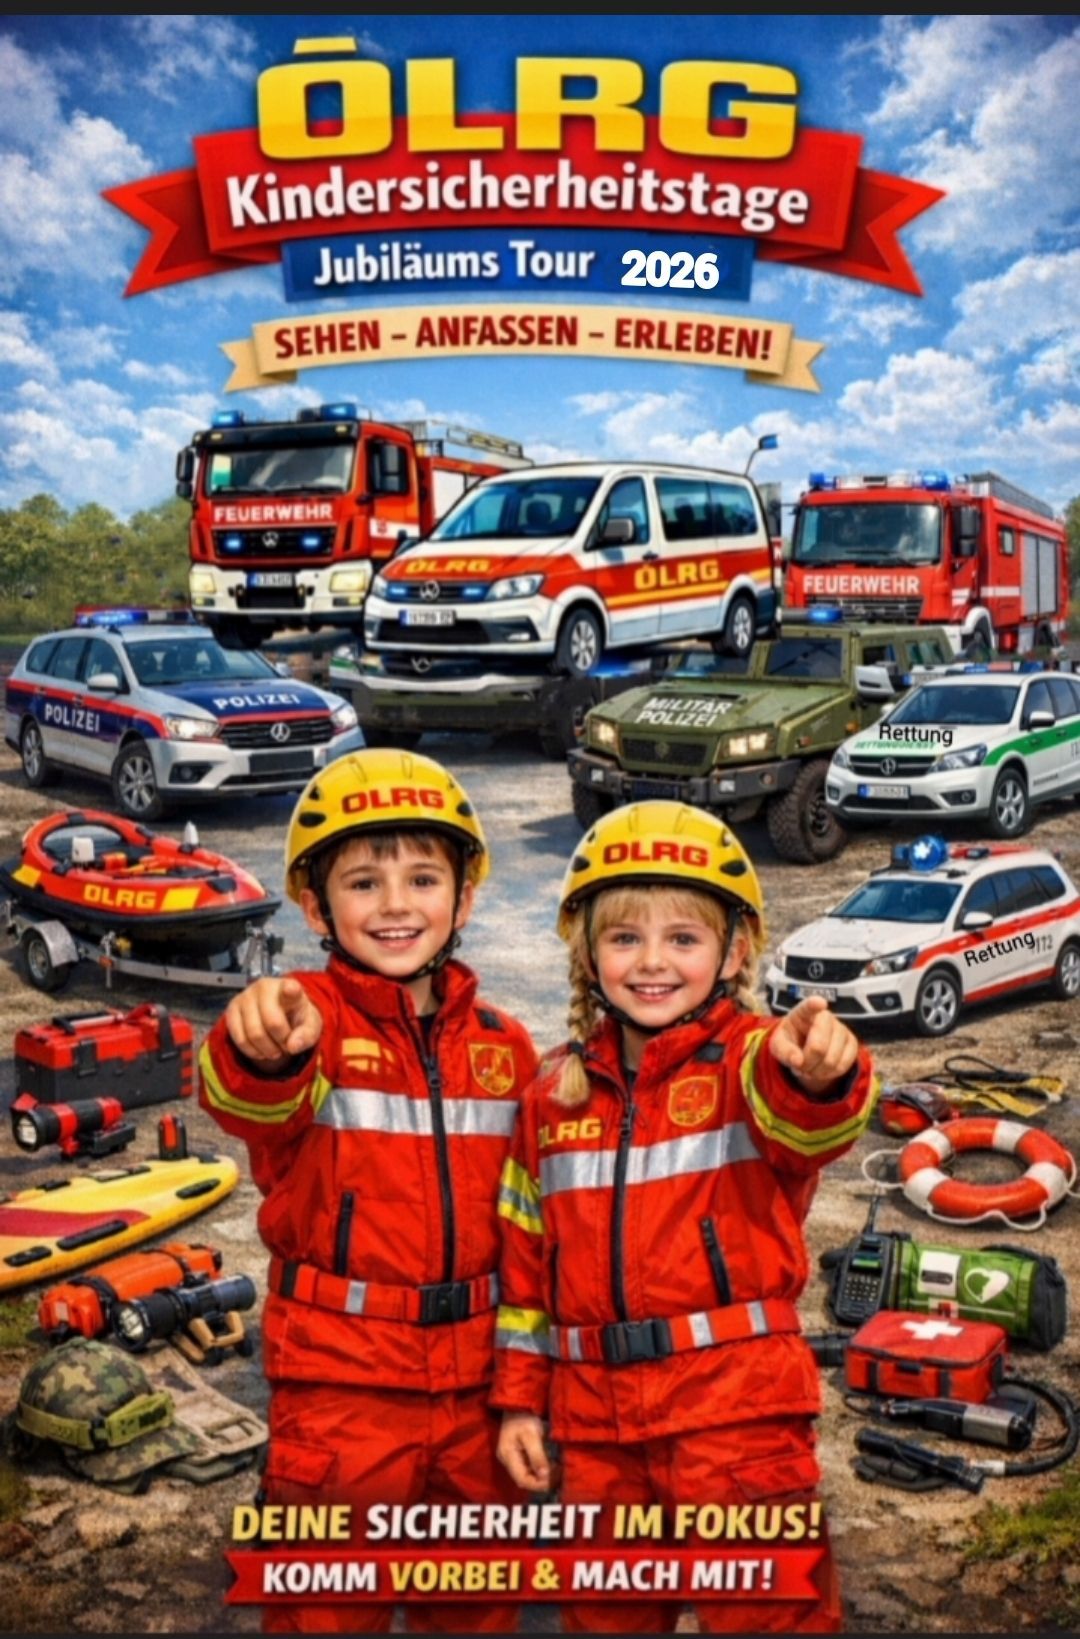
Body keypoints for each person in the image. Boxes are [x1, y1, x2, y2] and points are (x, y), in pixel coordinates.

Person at [492, 801, 877, 1634]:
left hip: (736, 1421)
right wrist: (522, 1404)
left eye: (684, 938)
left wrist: (821, 1072)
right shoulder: (548, 1096)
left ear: (734, 949)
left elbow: (811, 1117)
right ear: (585, 953)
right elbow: (525, 1273)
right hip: (594, 1432)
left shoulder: (756, 1061)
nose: (652, 962)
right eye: (625, 937)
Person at [199, 749, 539, 1635]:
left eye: (423, 877)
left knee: (477, 1611)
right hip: (340, 1388)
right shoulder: (303, 1016)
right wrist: (262, 1044)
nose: (395, 904)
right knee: (323, 1610)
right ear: (315, 904)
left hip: (480, 1389)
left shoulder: (511, 1047)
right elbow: (243, 1093)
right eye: (363, 880)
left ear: (465, 897)